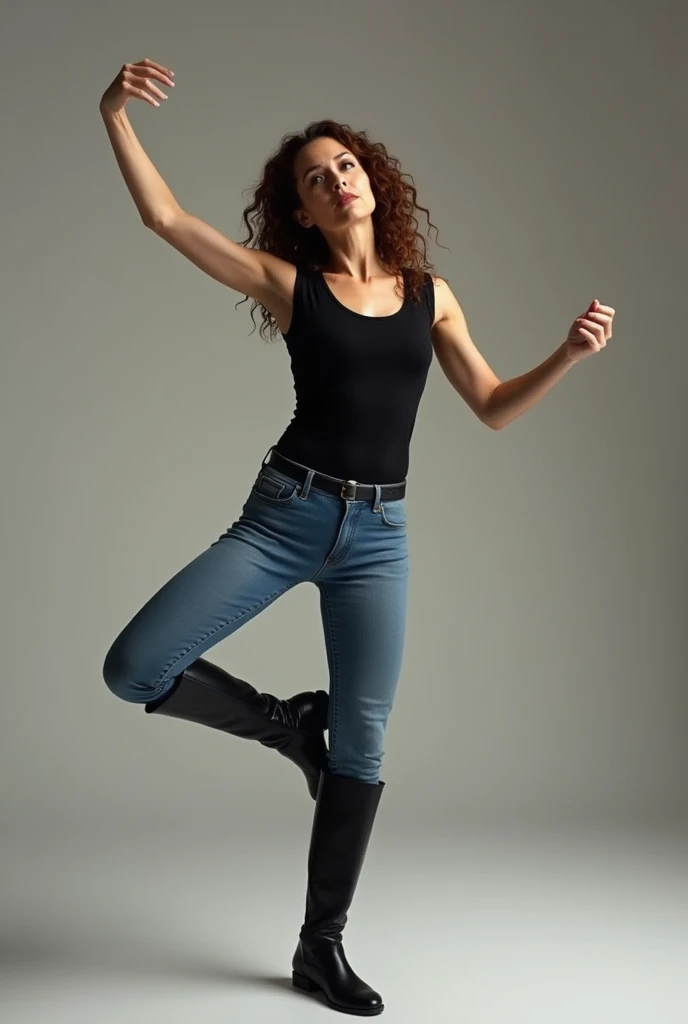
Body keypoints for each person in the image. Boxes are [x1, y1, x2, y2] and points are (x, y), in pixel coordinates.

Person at [98, 58, 615, 1017]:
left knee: (366, 746)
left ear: (372, 181)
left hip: (380, 535)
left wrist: (569, 355)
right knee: (136, 666)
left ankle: (319, 950)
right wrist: (114, 115)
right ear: (301, 211)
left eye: (346, 166)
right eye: (313, 178)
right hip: (286, 514)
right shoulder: (291, 285)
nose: (336, 180)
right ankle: (287, 725)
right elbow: (168, 222)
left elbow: (494, 408)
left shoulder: (432, 295)